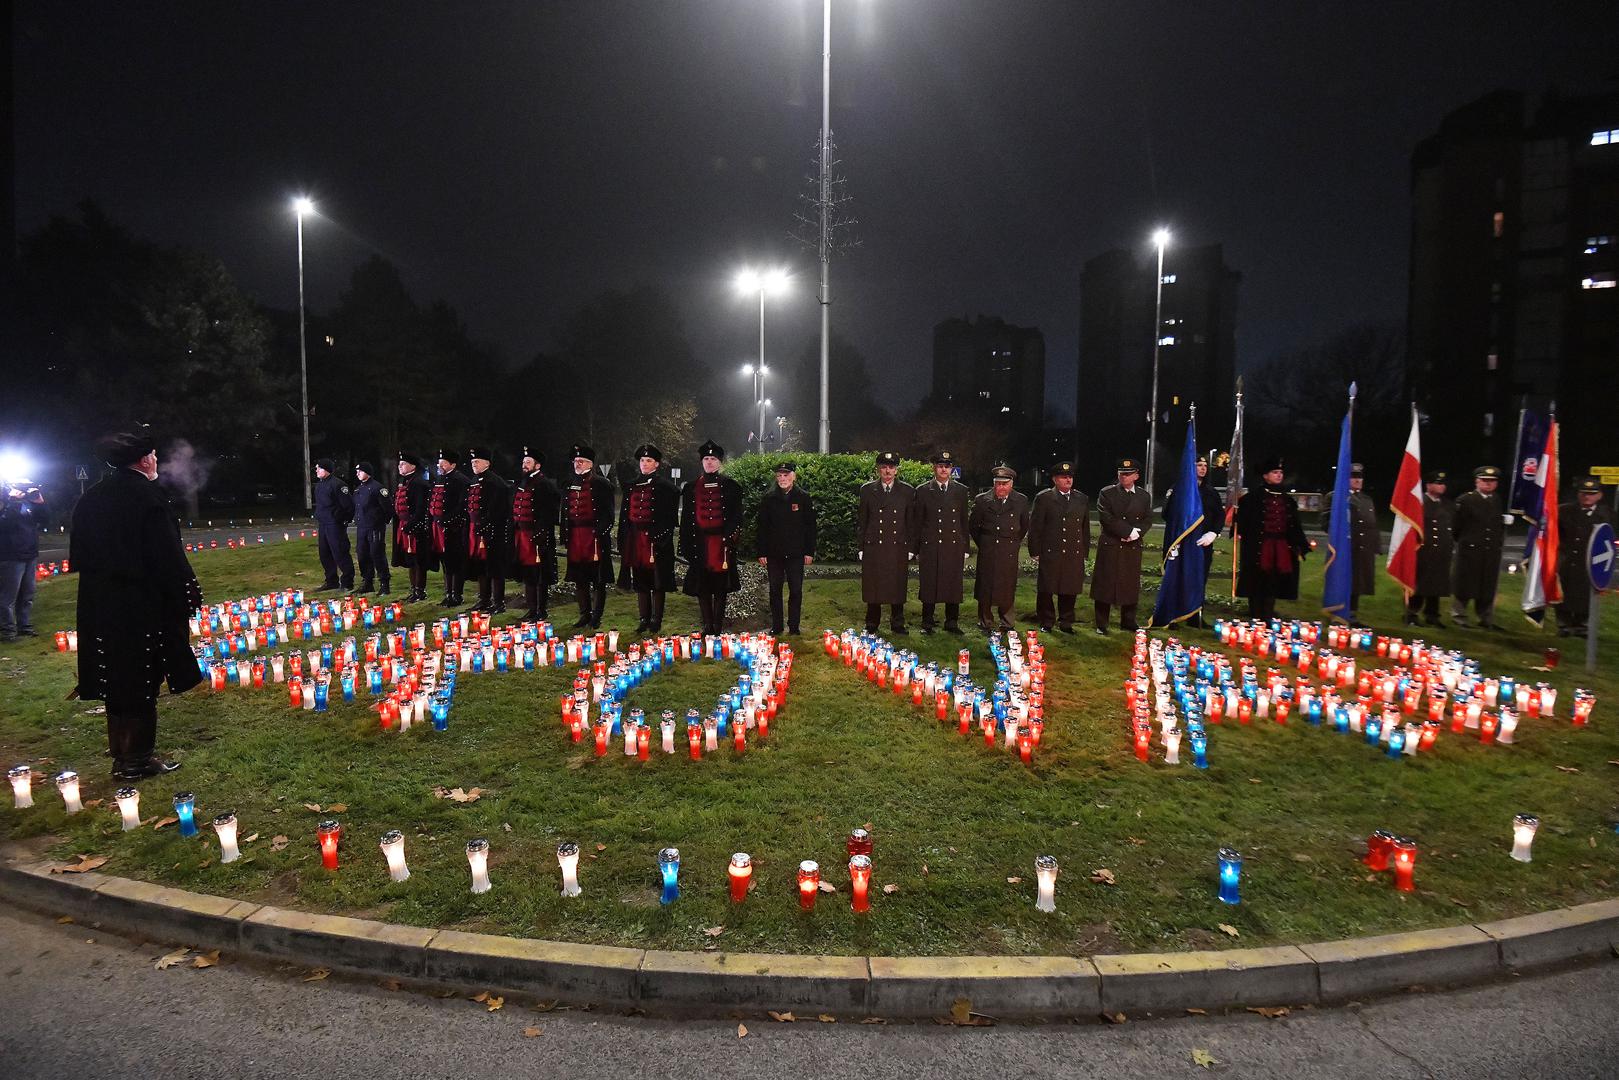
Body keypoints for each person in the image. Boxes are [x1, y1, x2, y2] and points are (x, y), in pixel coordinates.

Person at [70, 432, 202, 779]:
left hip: (101, 605)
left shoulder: (92, 497)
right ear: (144, 460)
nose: (157, 461)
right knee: (141, 678)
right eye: (154, 456)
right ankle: (136, 761)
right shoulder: (146, 497)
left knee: (116, 677)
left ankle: (124, 757)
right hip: (140, 604)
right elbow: (165, 556)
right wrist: (185, 593)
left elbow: (81, 556)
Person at [681, 439, 744, 635]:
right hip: (700, 543)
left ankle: (717, 625)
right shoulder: (690, 488)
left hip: (721, 544)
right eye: (706, 458)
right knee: (703, 586)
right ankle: (707, 625)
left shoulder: (732, 486)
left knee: (720, 587)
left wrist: (729, 539)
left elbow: (736, 516)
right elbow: (686, 519)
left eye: (713, 459)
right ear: (702, 461)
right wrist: (685, 545)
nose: (709, 462)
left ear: (719, 462)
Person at [1234, 456, 1308, 620]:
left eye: (1280, 472)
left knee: (1274, 581)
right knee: (1257, 580)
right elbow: (1244, 523)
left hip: (1280, 547)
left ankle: (1268, 613)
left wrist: (1300, 545)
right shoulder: (1252, 498)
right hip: (1259, 547)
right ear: (1265, 475)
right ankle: (1255, 613)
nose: (1279, 475)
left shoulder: (1287, 500)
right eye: (1275, 472)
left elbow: (1294, 525)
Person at [617, 444, 680, 633]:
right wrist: (624, 538)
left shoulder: (666, 488)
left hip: (655, 541)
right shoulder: (632, 485)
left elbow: (669, 518)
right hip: (636, 539)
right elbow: (624, 515)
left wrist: (659, 537)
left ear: (657, 464)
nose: (644, 464)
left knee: (657, 582)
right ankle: (643, 618)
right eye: (642, 460)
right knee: (640, 581)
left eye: (649, 461)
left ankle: (656, 620)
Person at [1161, 453, 1225, 624]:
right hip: (1183, 541)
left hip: (1203, 542)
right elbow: (1167, 514)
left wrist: (1213, 533)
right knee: (1177, 577)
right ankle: (1173, 614)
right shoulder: (1179, 489)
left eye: (1205, 466)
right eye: (1198, 465)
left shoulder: (1211, 492)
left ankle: (1195, 613)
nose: (1203, 468)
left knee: (1199, 578)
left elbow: (1219, 515)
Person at [1027, 460, 1091, 633]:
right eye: (1064, 477)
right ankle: (1046, 620)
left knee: (1069, 588)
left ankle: (1066, 621)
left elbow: (1084, 528)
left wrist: (1085, 551)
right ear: (1055, 479)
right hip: (1051, 551)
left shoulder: (1081, 498)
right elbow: (1036, 527)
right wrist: (1034, 550)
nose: (1068, 480)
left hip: (1073, 551)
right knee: (1047, 588)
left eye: (1070, 477)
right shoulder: (1045, 498)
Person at [912, 449, 971, 634]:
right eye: (940, 466)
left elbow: (963, 521)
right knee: (929, 583)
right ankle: (927, 622)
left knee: (953, 584)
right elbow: (917, 522)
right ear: (934, 468)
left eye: (947, 466)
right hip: (930, 545)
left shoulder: (961, 491)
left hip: (953, 545)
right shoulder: (922, 490)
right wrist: (916, 548)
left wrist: (966, 546)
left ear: (951, 469)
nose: (943, 470)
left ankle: (951, 622)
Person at [755, 460, 817, 635]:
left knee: (796, 590)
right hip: (774, 553)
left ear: (793, 477)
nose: (782, 478)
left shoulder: (803, 497)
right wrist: (761, 551)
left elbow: (810, 527)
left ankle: (794, 626)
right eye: (779, 475)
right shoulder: (768, 498)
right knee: (775, 590)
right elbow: (762, 527)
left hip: (796, 553)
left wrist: (809, 552)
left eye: (786, 475)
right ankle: (777, 626)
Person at [1091, 457, 1152, 633]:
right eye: (1121, 474)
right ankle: (1102, 623)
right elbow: (1106, 517)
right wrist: (1127, 532)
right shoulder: (1107, 493)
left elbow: (1147, 519)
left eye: (1128, 474)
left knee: (1129, 583)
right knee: (1105, 583)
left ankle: (1128, 620)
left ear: (1136, 476)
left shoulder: (1143, 496)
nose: (1123, 477)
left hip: (1132, 546)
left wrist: (1137, 533)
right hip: (1111, 543)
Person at [857, 451, 913, 635]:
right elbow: (863, 521)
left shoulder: (907, 491)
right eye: (883, 467)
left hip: (897, 545)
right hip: (874, 545)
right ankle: (872, 622)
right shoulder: (867, 489)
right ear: (878, 469)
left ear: (896, 470)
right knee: (874, 585)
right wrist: (861, 547)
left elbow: (910, 521)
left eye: (891, 467)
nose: (887, 471)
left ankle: (897, 623)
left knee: (897, 584)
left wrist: (911, 547)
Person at [561, 444, 616, 628]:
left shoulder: (601, 483)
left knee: (597, 578)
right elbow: (565, 511)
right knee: (580, 577)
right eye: (575, 461)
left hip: (594, 537)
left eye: (581, 461)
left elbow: (609, 513)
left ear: (590, 464)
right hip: (576, 536)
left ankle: (596, 616)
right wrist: (565, 534)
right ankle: (584, 613)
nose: (577, 464)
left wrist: (600, 532)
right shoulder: (569, 483)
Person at [970, 465, 1031, 631]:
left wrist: (1011, 542)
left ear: (1011, 484)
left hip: (1008, 549)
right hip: (988, 548)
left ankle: (1007, 621)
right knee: (985, 585)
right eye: (998, 484)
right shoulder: (982, 500)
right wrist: (984, 543)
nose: (1001, 487)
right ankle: (985, 621)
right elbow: (974, 526)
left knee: (1007, 584)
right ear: (993, 484)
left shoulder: (1021, 500)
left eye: (1004, 484)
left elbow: (1024, 525)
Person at [1320, 462, 1381, 621]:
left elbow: (1372, 524)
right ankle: (1338, 611)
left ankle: (1352, 612)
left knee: (1358, 581)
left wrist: (1376, 546)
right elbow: (1326, 522)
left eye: (1359, 477)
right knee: (1342, 579)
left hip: (1362, 548)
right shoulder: (1335, 497)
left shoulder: (1366, 499)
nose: (1357, 480)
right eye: (1353, 477)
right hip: (1344, 547)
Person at [1556, 476, 1614, 636]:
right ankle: (1564, 625)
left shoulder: (1607, 514)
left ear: (1599, 495)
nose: (1587, 496)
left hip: (1590, 562)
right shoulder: (1564, 511)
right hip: (1568, 560)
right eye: (1583, 493)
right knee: (1564, 593)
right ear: (1578, 494)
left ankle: (1582, 626)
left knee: (1585, 594)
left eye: (1591, 493)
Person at [1451, 465, 1506, 629]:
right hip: (1470, 550)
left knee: (1487, 585)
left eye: (1492, 481)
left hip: (1490, 551)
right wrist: (1465, 541)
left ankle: (1486, 618)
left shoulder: (1496, 500)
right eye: (1485, 481)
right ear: (1477, 481)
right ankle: (1459, 615)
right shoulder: (1466, 500)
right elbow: (1456, 526)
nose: (1488, 484)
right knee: (1465, 584)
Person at [511, 447, 560, 622]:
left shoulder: (544, 484)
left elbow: (550, 512)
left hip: (537, 536)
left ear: (537, 465)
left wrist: (541, 533)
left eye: (528, 462)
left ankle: (541, 609)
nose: (524, 465)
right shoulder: (522, 482)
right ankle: (531, 608)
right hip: (522, 535)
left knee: (540, 573)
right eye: (523, 462)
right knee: (527, 572)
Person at [466, 448, 513, 614]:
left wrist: (485, 524)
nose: (474, 464)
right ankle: (484, 599)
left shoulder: (495, 483)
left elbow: (498, 510)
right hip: (476, 530)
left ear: (487, 463)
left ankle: (498, 602)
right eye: (472, 462)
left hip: (492, 531)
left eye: (477, 461)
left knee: (494, 566)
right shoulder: (475, 480)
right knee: (480, 565)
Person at [1405, 470, 1454, 627]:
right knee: (1419, 584)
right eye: (1438, 483)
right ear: (1428, 485)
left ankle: (1433, 615)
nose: (1441, 486)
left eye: (1443, 484)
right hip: (1422, 551)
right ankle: (1412, 613)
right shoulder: (1419, 503)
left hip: (1441, 551)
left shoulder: (1448, 505)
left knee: (1437, 584)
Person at [0, 476, 45, 642]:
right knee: (8, 597)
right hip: (11, 556)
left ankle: (24, 626)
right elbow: (4, 525)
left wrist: (40, 503)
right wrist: (13, 502)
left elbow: (45, 520)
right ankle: (8, 631)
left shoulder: (28, 504)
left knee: (27, 594)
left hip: (29, 554)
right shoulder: (6, 503)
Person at [429, 449, 473, 607]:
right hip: (439, 527)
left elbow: (462, 505)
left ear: (452, 464)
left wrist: (449, 521)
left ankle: (457, 595)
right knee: (445, 561)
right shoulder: (440, 478)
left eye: (443, 463)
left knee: (455, 561)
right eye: (438, 462)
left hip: (454, 528)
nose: (439, 465)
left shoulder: (461, 480)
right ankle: (448, 593)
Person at [391, 451, 433, 603]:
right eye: (399, 464)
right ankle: (413, 589)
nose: (399, 466)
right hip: (404, 526)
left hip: (416, 528)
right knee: (410, 560)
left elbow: (421, 508)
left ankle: (420, 590)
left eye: (403, 464)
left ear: (413, 466)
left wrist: (412, 524)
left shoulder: (419, 483)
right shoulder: (405, 481)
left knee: (418, 560)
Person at [312, 458, 355, 592]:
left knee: (340, 552)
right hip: (323, 523)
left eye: (319, 468)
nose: (316, 470)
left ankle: (347, 582)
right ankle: (331, 581)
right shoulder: (319, 485)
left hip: (335, 524)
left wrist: (343, 520)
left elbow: (349, 505)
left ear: (327, 470)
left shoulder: (338, 485)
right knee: (324, 553)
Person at [351, 461, 392, 595]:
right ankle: (367, 582)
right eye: (357, 471)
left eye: (360, 471)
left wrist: (381, 521)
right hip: (362, 527)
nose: (357, 473)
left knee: (377, 553)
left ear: (367, 473)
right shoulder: (358, 490)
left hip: (375, 527)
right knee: (362, 554)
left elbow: (387, 508)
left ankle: (384, 583)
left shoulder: (377, 488)